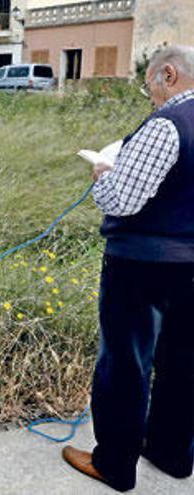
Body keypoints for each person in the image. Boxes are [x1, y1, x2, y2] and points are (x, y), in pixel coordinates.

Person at [62, 45, 194, 492]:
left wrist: (103, 173)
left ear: (169, 75)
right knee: (182, 363)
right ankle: (172, 454)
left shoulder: (167, 124)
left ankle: (114, 463)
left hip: (142, 265)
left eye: (150, 83)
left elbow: (123, 199)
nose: (150, 94)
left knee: (126, 363)